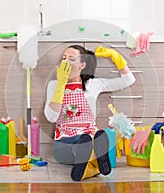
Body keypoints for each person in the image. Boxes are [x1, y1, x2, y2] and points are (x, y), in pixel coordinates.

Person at [44, 44, 135, 181]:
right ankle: (92, 155)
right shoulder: (54, 85)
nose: (65, 62)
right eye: (64, 58)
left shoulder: (93, 84)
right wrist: (61, 84)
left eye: (71, 59)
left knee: (88, 141)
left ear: (82, 65)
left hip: (90, 135)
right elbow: (51, 117)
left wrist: (116, 57)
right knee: (79, 145)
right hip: (64, 142)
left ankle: (90, 155)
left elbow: (128, 80)